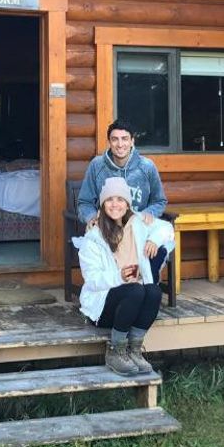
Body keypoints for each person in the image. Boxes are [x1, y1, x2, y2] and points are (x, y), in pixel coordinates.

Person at [74, 177, 169, 376]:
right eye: (109, 200)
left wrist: (153, 239)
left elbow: (167, 229)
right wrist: (119, 276)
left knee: (153, 291)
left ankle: (134, 350)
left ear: (127, 204)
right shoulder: (93, 237)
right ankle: (116, 351)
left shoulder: (138, 224)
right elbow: (92, 280)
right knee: (135, 290)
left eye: (120, 199)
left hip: (132, 302)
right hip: (103, 307)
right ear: (102, 205)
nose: (115, 204)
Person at [78, 119, 174, 282]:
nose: (120, 144)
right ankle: (121, 287)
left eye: (125, 139)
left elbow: (159, 200)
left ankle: (148, 282)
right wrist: (91, 217)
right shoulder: (97, 166)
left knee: (157, 244)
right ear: (109, 142)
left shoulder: (147, 167)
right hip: (108, 229)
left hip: (138, 229)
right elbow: (85, 201)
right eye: (115, 139)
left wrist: (148, 213)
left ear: (132, 141)